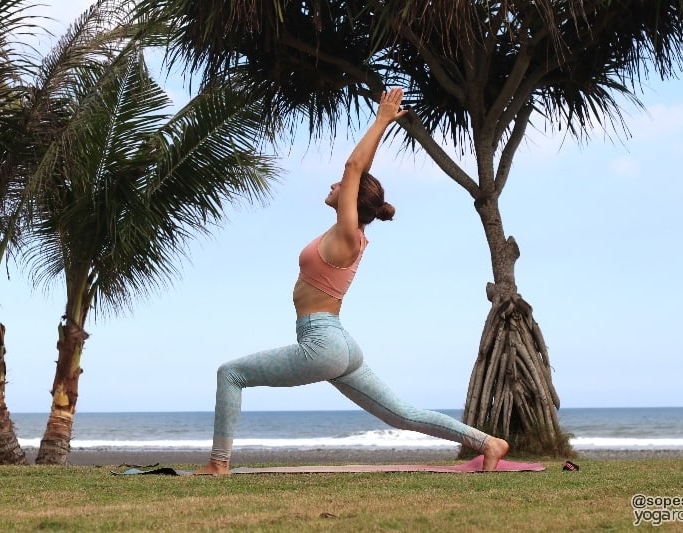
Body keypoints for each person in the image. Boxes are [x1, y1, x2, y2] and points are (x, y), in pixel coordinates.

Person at [193, 88, 509, 475]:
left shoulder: (347, 235)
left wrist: (381, 119)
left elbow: (354, 168)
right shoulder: (350, 234)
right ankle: (487, 442)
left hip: (322, 341)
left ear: (351, 197)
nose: (333, 184)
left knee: (231, 374)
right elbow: (357, 174)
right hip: (339, 342)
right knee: (401, 414)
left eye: (340, 185)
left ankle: (218, 464)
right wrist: (377, 134)